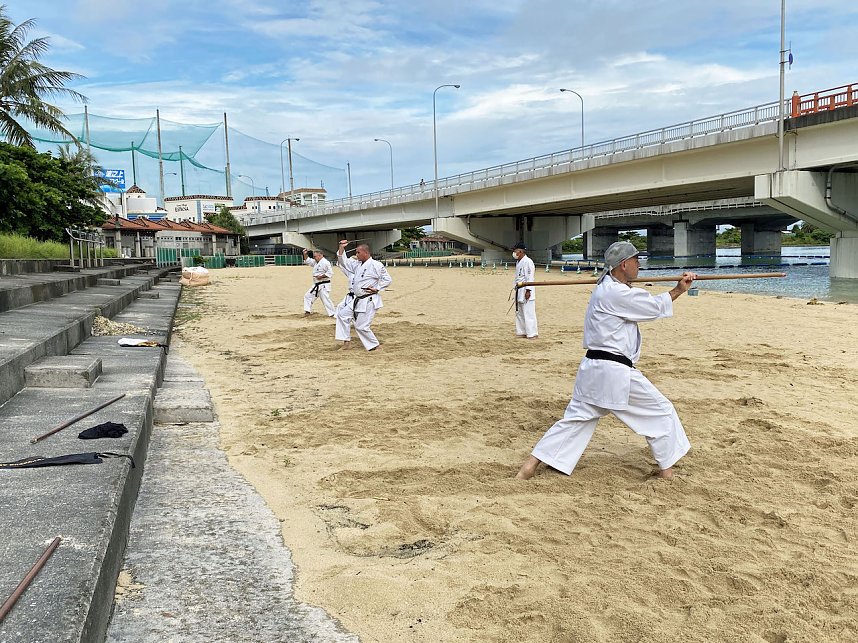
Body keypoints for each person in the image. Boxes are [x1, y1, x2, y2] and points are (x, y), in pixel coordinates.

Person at [516, 241, 696, 480]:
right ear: (624, 264)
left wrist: (674, 289)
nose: (639, 266)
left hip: (592, 370)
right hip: (613, 372)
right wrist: (678, 290)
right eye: (636, 261)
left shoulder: (608, 288)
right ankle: (667, 473)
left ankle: (529, 466)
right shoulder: (614, 292)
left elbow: (637, 299)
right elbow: (650, 307)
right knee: (660, 411)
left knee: (576, 420)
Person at [334, 240, 392, 351]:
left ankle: (376, 346)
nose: (356, 255)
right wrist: (341, 248)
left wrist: (377, 288)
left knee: (361, 326)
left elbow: (388, 279)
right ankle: (346, 342)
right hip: (357, 299)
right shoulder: (357, 264)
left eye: (358, 253)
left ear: (365, 252)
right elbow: (343, 263)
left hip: (369, 299)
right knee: (342, 315)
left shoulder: (376, 265)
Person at [513, 242, 537, 339]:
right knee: (519, 312)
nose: (514, 253)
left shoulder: (528, 261)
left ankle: (532, 333)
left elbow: (530, 277)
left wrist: (528, 290)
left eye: (515, 251)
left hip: (526, 289)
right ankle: (522, 331)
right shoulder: (518, 262)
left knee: (529, 312)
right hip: (519, 289)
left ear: (520, 251)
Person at [302, 248, 335, 317]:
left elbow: (330, 273)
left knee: (326, 300)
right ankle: (307, 311)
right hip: (316, 284)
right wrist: (305, 254)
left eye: (315, 256)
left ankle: (333, 314)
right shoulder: (315, 262)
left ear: (320, 255)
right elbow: (308, 261)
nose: (314, 258)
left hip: (324, 284)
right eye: (314, 256)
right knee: (307, 296)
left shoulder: (325, 262)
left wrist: (321, 277)